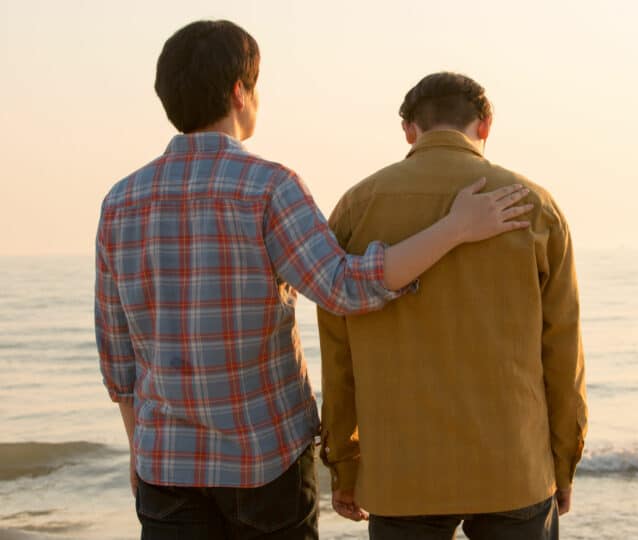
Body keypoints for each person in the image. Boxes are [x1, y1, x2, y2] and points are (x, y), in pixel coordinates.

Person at [94, 23, 532, 540]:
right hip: (267, 463)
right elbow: (345, 287)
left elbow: (118, 359)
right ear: (239, 92)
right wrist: (455, 229)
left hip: (164, 467)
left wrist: (137, 455)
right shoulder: (266, 188)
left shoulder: (121, 202)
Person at [318, 72, 588, 540]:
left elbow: (338, 353)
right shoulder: (536, 208)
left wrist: (345, 462)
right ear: (485, 125)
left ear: (408, 129)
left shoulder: (357, 207)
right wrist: (562, 462)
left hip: (401, 472)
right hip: (513, 467)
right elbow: (563, 355)